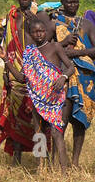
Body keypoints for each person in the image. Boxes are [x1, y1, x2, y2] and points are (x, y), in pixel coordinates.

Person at [47, 0, 95, 168]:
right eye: (69, 2)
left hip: (84, 79)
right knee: (61, 121)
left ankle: (75, 161)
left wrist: (76, 52)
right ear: (62, 2)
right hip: (62, 76)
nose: (73, 5)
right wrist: (63, 45)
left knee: (80, 121)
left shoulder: (86, 24)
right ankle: (56, 161)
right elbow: (47, 47)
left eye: (76, 1)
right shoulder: (54, 22)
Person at [21, 16, 75, 171]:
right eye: (35, 32)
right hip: (38, 99)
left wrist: (63, 77)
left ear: (46, 32)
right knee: (38, 132)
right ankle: (41, 168)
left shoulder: (55, 46)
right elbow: (21, 77)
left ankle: (64, 171)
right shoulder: (30, 53)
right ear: (30, 34)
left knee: (57, 134)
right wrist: (5, 60)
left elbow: (70, 67)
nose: (38, 34)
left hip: (55, 98)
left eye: (41, 31)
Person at [0, 0, 38, 163]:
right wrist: (6, 69)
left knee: (37, 114)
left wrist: (33, 20)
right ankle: (16, 157)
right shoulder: (10, 17)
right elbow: (7, 45)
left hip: (34, 67)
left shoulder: (38, 16)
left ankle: (40, 158)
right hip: (13, 68)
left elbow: (42, 39)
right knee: (15, 115)